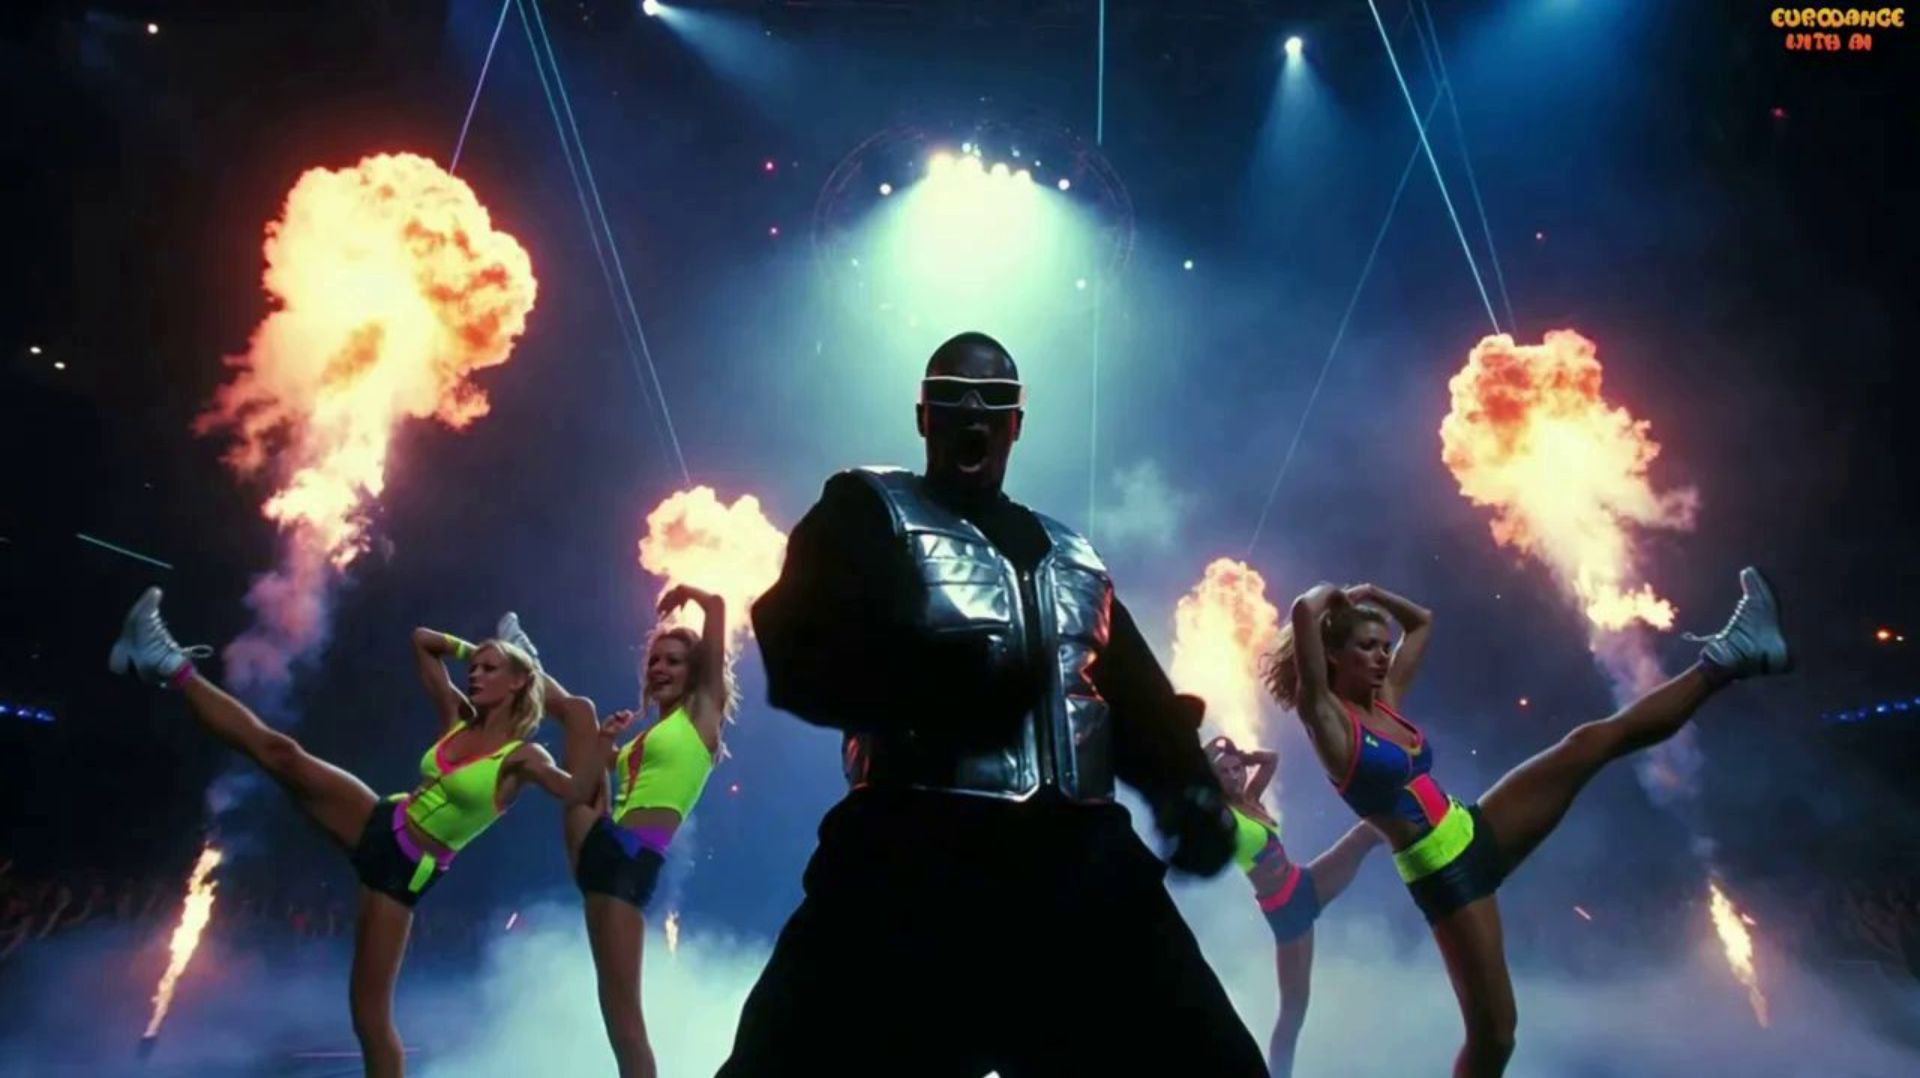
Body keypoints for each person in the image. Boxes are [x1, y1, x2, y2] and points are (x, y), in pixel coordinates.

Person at [720, 332, 1265, 1077]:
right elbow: (801, 648)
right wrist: (942, 691)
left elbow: (1137, 700)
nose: (971, 414)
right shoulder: (865, 511)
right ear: (923, 417)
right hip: (913, 866)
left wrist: (1187, 791)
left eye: (993, 401)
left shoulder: (1076, 556)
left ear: (1017, 422)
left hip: (1082, 875)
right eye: (950, 399)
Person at [1265, 573, 1791, 1076]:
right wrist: (1336, 597)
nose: (1383, 657)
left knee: (1591, 741)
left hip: (1473, 826)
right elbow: (1304, 610)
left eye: (1385, 646)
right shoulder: (1328, 720)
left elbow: (1422, 621)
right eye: (1368, 647)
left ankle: (1734, 654)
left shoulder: (1386, 702)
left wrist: (1375, 594)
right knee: (1495, 1037)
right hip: (1446, 875)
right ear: (1333, 656)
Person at [107, 587, 620, 1078]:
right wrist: (482, 650)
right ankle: (165, 661)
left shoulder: (524, 757)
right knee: (281, 753)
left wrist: (600, 749)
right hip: (379, 819)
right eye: (474, 666)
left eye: (490, 669)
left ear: (517, 683)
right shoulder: (458, 717)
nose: (475, 673)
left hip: (402, 872)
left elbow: (575, 792)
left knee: (370, 1018)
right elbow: (422, 640)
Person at [497, 591, 730, 1078]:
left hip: (629, 866)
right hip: (601, 840)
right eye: (655, 661)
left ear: (696, 672)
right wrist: (606, 743)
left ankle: (525, 665)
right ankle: (525, 664)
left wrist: (693, 596)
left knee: (625, 1027)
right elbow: (602, 776)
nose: (659, 668)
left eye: (673, 661)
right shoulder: (643, 735)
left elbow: (717, 611)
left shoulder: (701, 717)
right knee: (580, 716)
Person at [1204, 736, 1378, 1078]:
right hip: (1287, 912)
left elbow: (1272, 758)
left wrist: (1242, 755)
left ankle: (1433, 856)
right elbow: (1196, 789)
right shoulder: (1223, 816)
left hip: (1304, 883)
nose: (1235, 776)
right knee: (1293, 1013)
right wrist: (1208, 759)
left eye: (1237, 770)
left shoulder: (1251, 799)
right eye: (1225, 773)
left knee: (1367, 832)